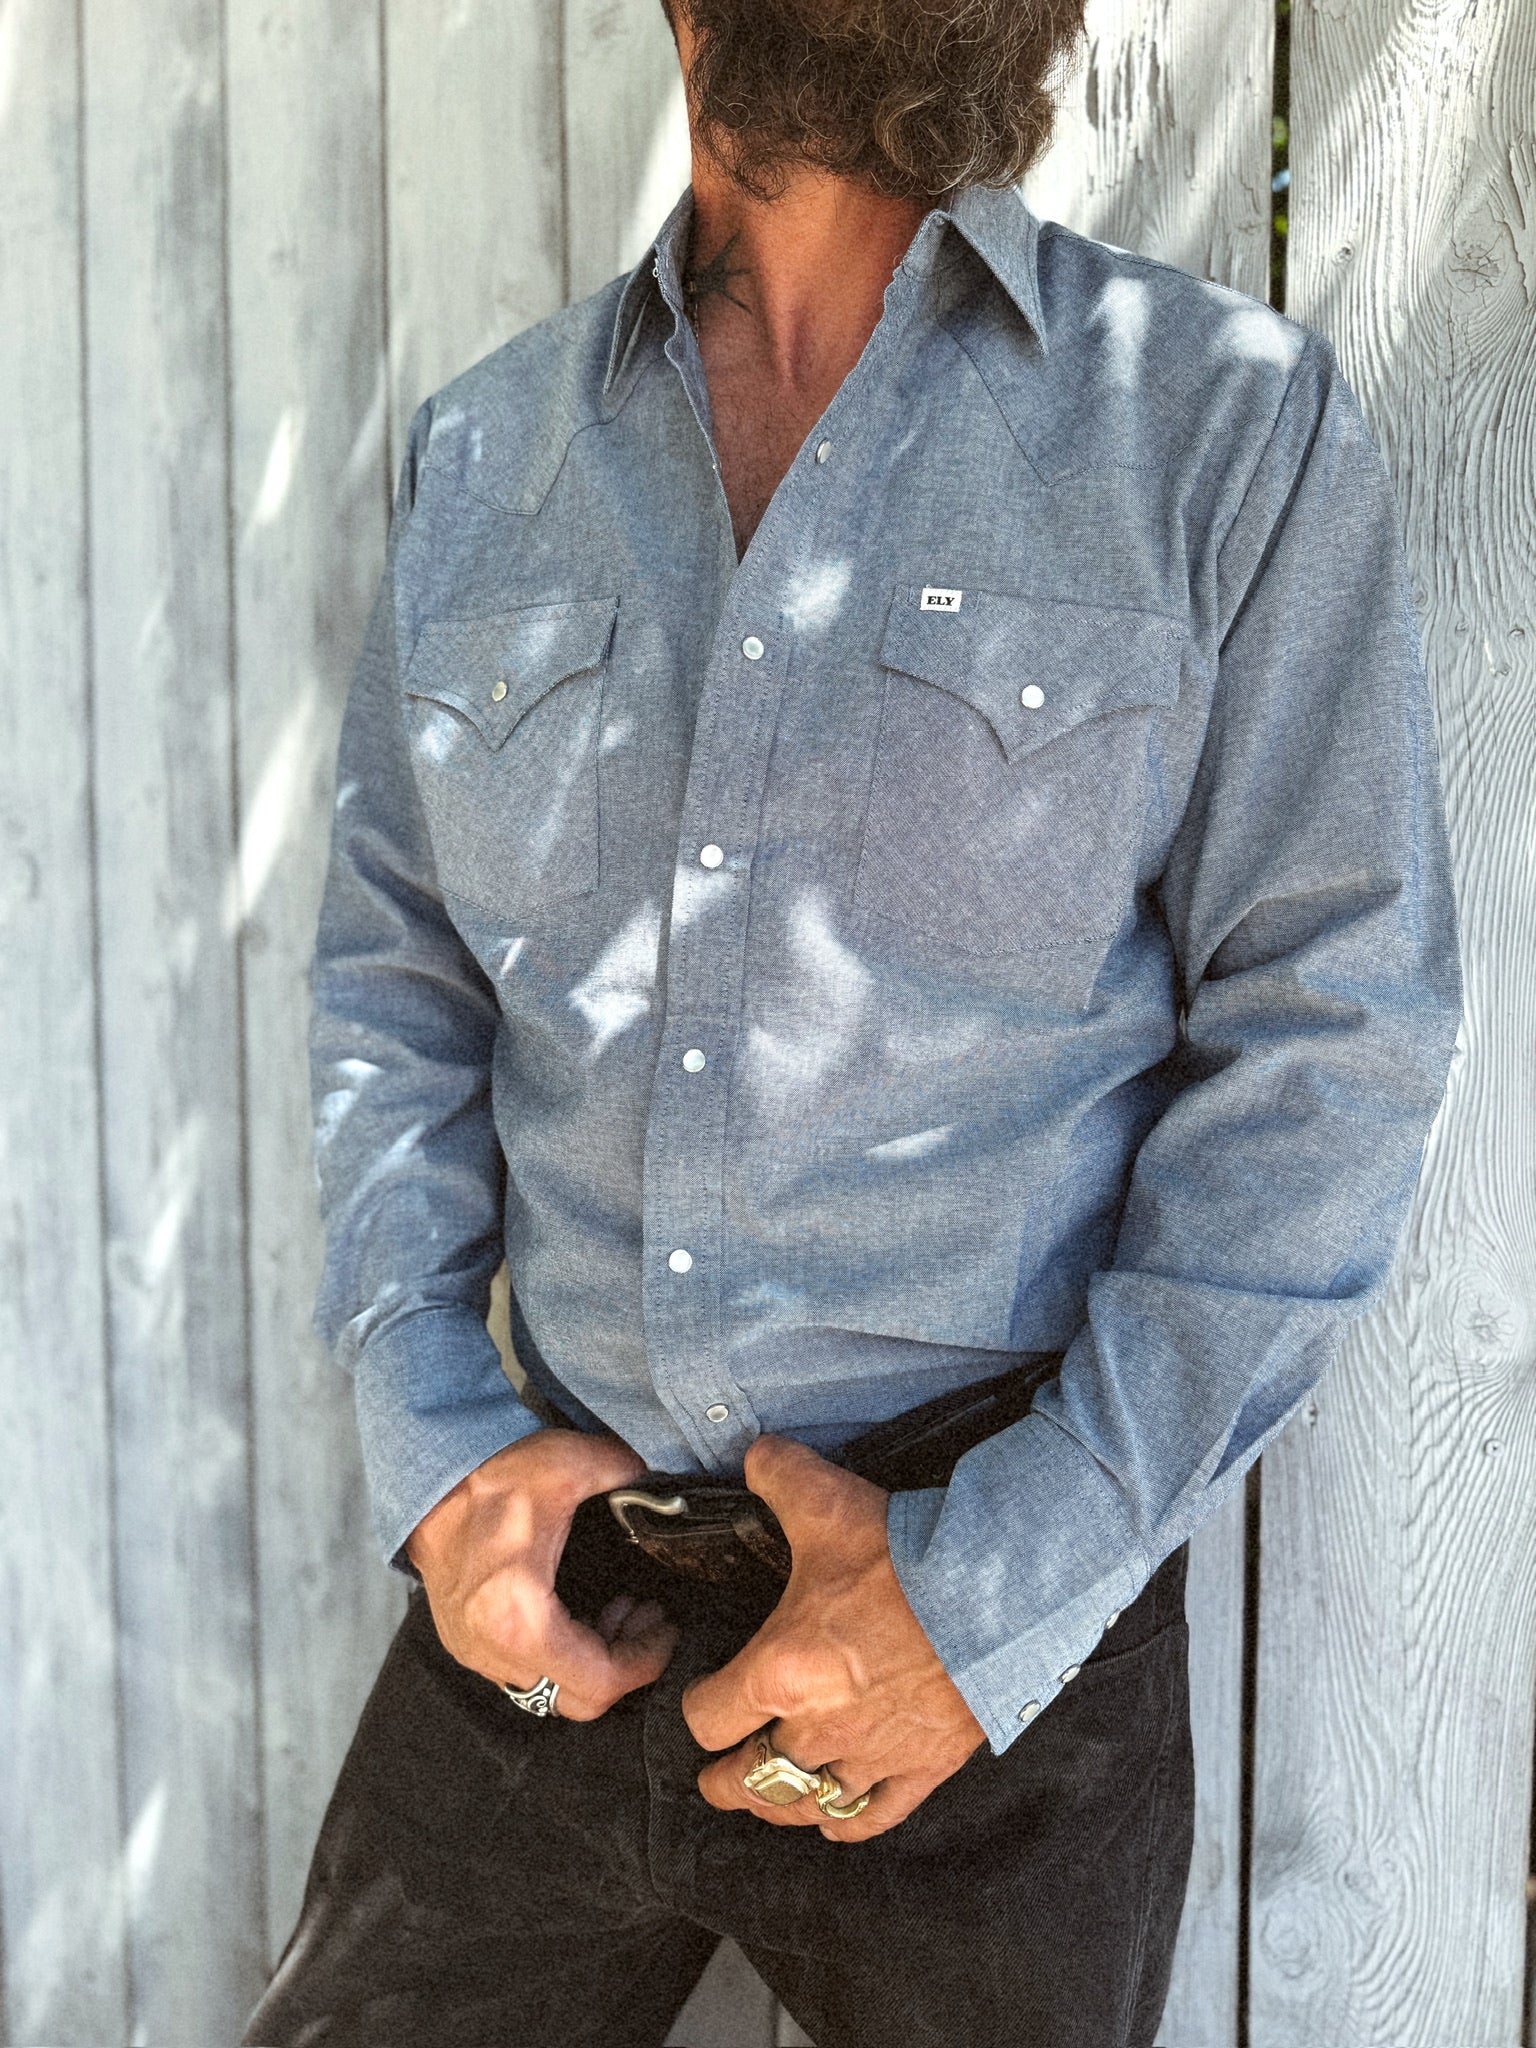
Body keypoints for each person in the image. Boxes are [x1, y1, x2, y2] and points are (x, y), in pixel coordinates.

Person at [241, 0, 1462, 2042]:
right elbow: (396, 983)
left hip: (993, 1625)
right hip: (549, 1584)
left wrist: (994, 1594)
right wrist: (437, 1456)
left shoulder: (1220, 431)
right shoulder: (490, 458)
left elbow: (1334, 1030)